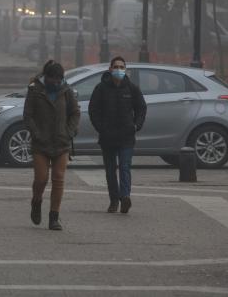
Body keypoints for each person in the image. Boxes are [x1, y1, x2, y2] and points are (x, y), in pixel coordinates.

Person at [24, 60, 80, 230]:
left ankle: (54, 217)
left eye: (59, 79)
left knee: (58, 179)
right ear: (46, 77)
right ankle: (36, 201)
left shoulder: (66, 90)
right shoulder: (35, 90)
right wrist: (37, 133)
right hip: (41, 144)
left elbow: (75, 113)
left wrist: (69, 132)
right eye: (53, 78)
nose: (56, 82)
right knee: (41, 179)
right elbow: (28, 116)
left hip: (62, 143)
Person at [88, 56, 146, 214]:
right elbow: (93, 110)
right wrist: (101, 128)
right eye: (116, 67)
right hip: (107, 137)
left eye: (121, 67)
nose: (119, 70)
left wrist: (136, 125)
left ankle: (125, 197)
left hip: (127, 137)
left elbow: (141, 108)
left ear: (125, 70)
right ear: (110, 69)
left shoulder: (132, 88)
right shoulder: (101, 88)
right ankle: (114, 200)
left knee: (125, 167)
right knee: (110, 170)